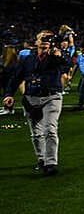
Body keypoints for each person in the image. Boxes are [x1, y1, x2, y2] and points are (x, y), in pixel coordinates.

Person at [3, 30, 69, 176]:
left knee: (50, 130)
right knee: (36, 133)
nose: (45, 40)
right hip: (31, 98)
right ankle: (41, 159)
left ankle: (51, 163)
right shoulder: (28, 59)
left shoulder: (55, 56)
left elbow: (66, 63)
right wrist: (9, 94)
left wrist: (60, 54)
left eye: (48, 38)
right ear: (36, 42)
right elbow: (16, 77)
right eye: (42, 38)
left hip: (52, 97)